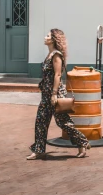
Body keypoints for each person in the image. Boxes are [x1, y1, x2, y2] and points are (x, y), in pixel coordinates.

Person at [27, 28, 90, 159]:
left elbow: (57, 75)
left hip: (55, 94)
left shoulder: (56, 55)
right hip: (46, 93)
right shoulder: (49, 55)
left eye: (48, 35)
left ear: (54, 39)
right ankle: (39, 150)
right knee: (41, 121)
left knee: (63, 122)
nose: (45, 37)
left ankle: (82, 143)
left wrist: (54, 94)